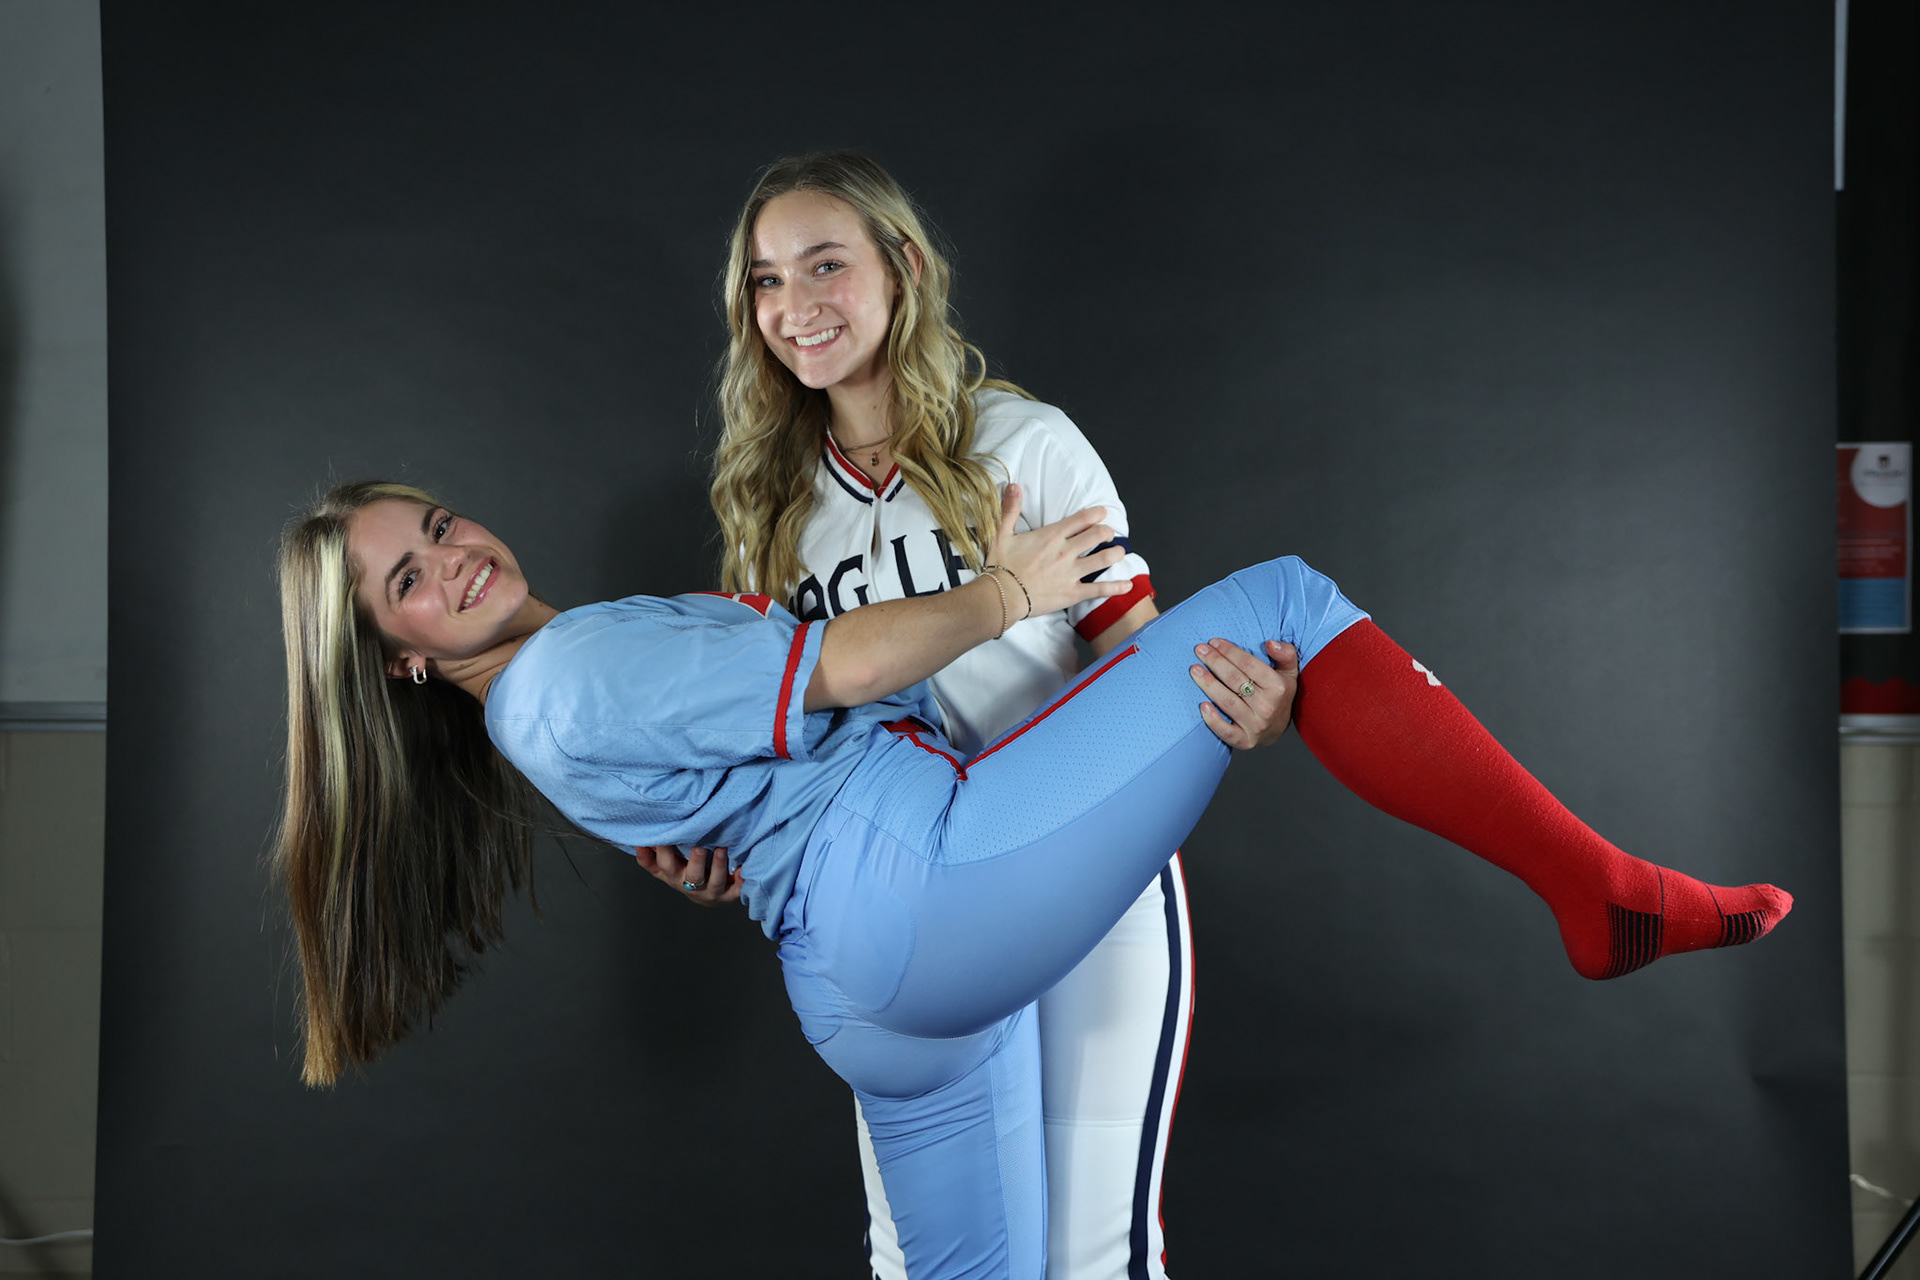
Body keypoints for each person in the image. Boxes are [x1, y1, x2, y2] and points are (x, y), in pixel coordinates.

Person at [274, 480, 1792, 1280]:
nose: (454, 556)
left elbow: (715, 820)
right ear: (399, 658)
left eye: (440, 522)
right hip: (927, 889)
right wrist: (1012, 588)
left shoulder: (535, 702)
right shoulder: (579, 665)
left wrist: (728, 850)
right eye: (410, 578)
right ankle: (1598, 894)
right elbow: (856, 659)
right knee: (1281, 603)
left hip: (865, 991)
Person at [631, 151, 1293, 1280]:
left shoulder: (1021, 444)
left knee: (1092, 1254)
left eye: (826, 264)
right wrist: (718, 845)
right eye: (766, 280)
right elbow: (788, 743)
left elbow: (1143, 662)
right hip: (902, 906)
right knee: (924, 1256)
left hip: (1086, 876)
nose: (796, 306)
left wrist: (1241, 703)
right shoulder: (770, 510)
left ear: (906, 267)